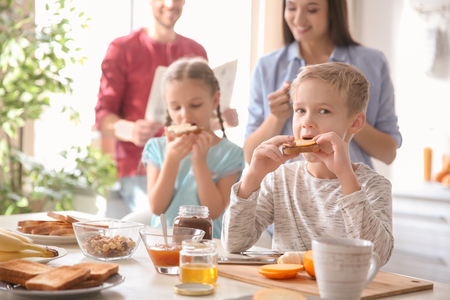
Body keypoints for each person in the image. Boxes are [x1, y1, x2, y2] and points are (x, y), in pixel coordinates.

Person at [222, 62, 394, 266]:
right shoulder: (280, 179)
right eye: (300, 110)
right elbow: (234, 243)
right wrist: (252, 176)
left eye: (323, 111)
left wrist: (346, 175)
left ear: (355, 122)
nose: (307, 122)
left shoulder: (374, 186)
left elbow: (377, 256)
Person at [95, 0, 238, 213]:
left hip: (200, 159)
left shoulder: (196, 50)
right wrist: (132, 130)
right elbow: (103, 116)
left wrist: (218, 118)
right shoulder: (122, 49)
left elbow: (197, 112)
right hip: (141, 166)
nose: (171, 4)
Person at [244, 0, 402, 169]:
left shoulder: (373, 63)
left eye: (311, 10)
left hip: (351, 189)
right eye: (291, 7)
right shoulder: (266, 66)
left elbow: (388, 153)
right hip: (286, 192)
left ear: (333, 10)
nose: (298, 19)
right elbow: (249, 155)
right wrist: (275, 117)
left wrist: (345, 115)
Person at [142, 57, 245, 239]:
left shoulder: (230, 153)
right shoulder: (157, 147)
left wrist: (199, 163)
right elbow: (157, 208)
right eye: (175, 107)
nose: (185, 115)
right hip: (164, 243)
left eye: (195, 105)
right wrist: (171, 161)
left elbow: (213, 212)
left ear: (215, 101)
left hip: (207, 246)